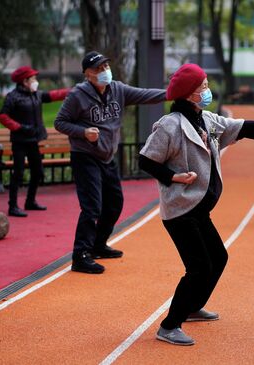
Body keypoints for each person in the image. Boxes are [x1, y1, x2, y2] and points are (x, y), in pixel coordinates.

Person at [139, 64, 254, 346]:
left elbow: (244, 127)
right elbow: (146, 160)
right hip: (180, 210)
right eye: (204, 86)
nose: (208, 90)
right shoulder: (170, 126)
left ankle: (192, 306)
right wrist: (173, 177)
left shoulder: (206, 120)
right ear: (189, 94)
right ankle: (170, 325)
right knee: (198, 267)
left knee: (218, 258)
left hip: (199, 209)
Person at [54, 51, 166, 274]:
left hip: (107, 156)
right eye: (98, 68)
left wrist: (175, 93)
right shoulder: (77, 95)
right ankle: (80, 255)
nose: (104, 71)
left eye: (105, 66)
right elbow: (60, 122)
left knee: (114, 203)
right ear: (87, 74)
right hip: (85, 156)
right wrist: (83, 132)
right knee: (92, 206)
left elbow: (145, 95)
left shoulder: (118, 89)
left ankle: (98, 244)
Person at [0, 66, 70, 217]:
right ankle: (13, 206)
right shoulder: (13, 97)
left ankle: (30, 201)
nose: (36, 81)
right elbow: (3, 116)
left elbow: (54, 95)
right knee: (18, 173)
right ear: (24, 81)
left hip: (33, 140)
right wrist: (20, 127)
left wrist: (75, 90)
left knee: (37, 172)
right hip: (19, 141)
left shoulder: (36, 94)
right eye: (33, 78)